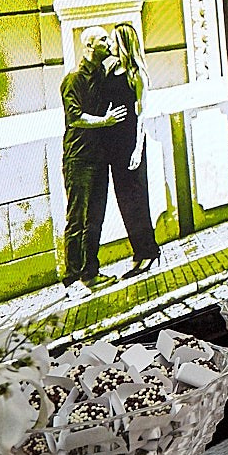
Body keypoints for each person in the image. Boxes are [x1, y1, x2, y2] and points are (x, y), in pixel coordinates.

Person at [60, 27, 125, 292]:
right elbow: (74, 117)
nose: (109, 43)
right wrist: (105, 121)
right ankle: (72, 279)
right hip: (79, 159)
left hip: (99, 158)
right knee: (77, 219)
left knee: (95, 218)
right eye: (103, 40)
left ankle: (91, 273)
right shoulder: (73, 79)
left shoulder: (103, 74)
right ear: (89, 45)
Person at [99, 22, 162, 278]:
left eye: (113, 40)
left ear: (123, 43)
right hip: (114, 142)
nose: (110, 45)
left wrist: (137, 150)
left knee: (137, 199)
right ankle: (139, 251)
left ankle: (149, 252)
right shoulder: (112, 68)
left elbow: (142, 115)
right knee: (124, 200)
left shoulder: (137, 75)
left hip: (131, 142)